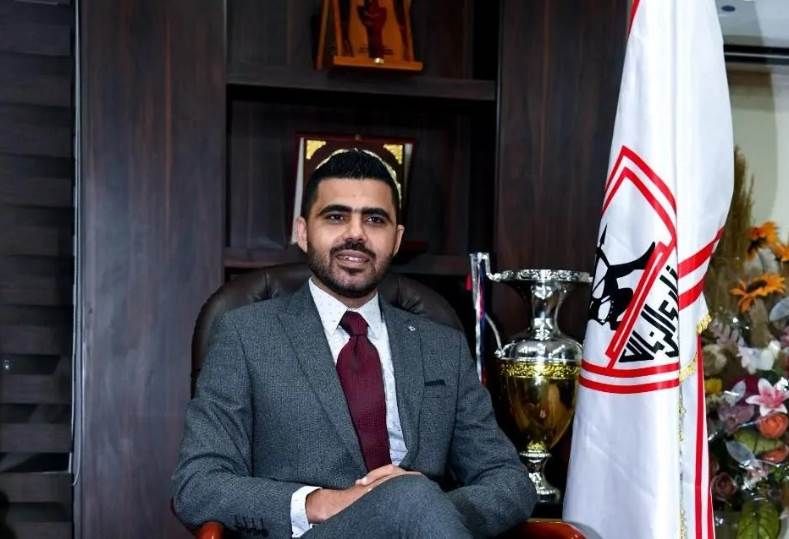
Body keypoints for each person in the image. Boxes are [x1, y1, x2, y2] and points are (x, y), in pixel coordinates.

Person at [172, 149, 536, 538]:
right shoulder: (246, 335)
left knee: (410, 496)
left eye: (375, 220)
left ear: (396, 239)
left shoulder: (441, 347)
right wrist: (321, 503)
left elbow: (509, 481)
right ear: (303, 232)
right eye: (335, 216)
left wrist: (422, 508)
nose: (356, 234)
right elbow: (197, 485)